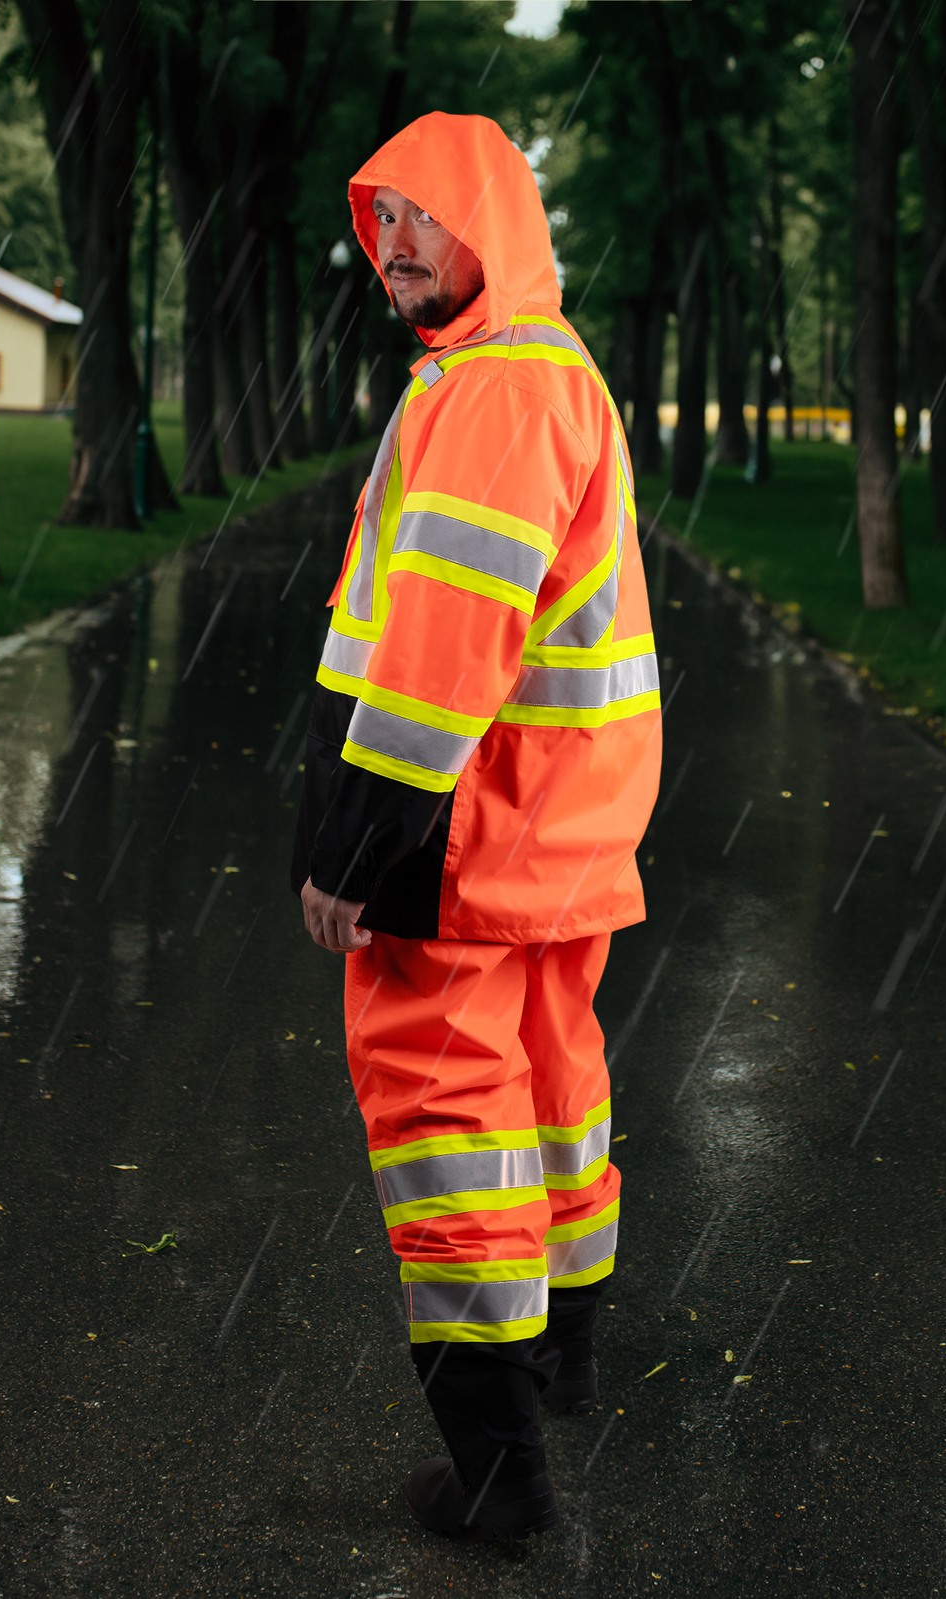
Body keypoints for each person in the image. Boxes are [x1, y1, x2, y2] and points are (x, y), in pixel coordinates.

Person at [292, 111, 660, 1542]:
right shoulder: (548, 372)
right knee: (556, 1092)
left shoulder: (494, 390)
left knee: (446, 1113)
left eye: (420, 219)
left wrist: (357, 846)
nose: (390, 246)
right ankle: (561, 1358)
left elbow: (443, 640)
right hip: (557, 836)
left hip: (469, 840)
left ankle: (500, 1479)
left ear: (489, 227)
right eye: (379, 219)